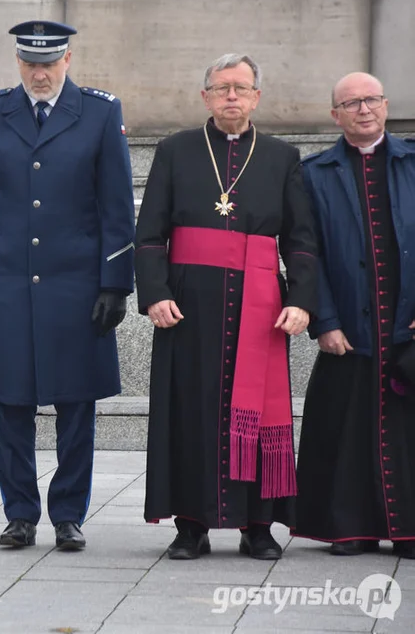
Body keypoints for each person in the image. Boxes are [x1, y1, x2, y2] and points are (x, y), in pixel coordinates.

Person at [0, 21, 135, 552]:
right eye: (30, 63)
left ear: (68, 61)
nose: (39, 73)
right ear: (18, 64)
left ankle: (68, 515)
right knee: (10, 405)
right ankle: (20, 515)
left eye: (48, 63)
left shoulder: (100, 112)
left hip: (77, 286)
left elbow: (117, 207)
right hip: (7, 283)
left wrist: (114, 283)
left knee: (77, 405)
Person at [135, 53, 317, 561]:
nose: (231, 96)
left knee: (257, 415)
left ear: (257, 96)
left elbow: (301, 240)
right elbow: (149, 234)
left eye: (240, 87)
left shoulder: (282, 156)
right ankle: (190, 525)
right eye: (221, 88)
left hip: (259, 306)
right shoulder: (175, 150)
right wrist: (155, 293)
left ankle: (257, 526)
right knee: (188, 410)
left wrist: (301, 300)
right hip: (187, 304)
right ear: (205, 97)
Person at [294, 73, 415, 557]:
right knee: (345, 427)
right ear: (335, 115)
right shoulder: (313, 172)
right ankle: (350, 528)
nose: (363, 109)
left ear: (385, 105)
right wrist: (324, 320)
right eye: (351, 103)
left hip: (406, 323)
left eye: (370, 100)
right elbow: (305, 253)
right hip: (348, 325)